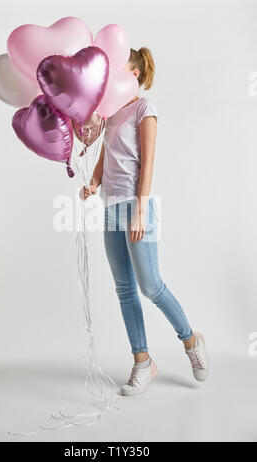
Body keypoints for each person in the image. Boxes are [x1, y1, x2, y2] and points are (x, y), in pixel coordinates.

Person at [80, 47, 209, 396]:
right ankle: (142, 362)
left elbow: (148, 162)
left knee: (150, 285)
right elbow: (106, 154)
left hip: (137, 208)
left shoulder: (143, 108)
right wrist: (93, 183)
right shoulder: (110, 112)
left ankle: (191, 341)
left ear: (133, 73)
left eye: (118, 67)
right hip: (110, 208)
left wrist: (140, 208)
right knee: (124, 289)